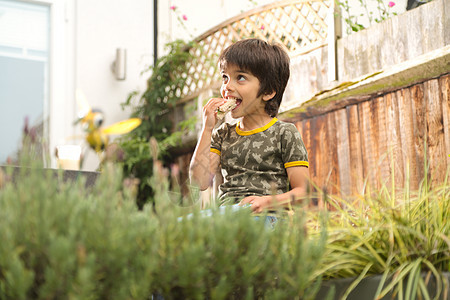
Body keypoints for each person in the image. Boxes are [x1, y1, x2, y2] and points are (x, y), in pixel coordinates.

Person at [189, 38, 309, 215]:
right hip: (229, 215)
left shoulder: (284, 133)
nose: (227, 87)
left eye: (240, 78)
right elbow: (198, 181)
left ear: (268, 92)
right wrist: (207, 129)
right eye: (225, 77)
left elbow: (303, 193)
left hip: (269, 217)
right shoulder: (222, 134)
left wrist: (267, 202)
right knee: (183, 227)